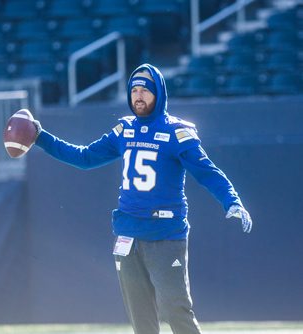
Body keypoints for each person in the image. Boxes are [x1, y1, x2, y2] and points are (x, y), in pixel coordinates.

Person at [31, 63, 252, 334]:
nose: (138, 96)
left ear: (158, 93)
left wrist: (232, 200)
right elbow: (84, 157)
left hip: (166, 236)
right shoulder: (124, 130)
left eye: (145, 90)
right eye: (134, 90)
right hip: (128, 235)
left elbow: (207, 172)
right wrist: (40, 137)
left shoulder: (176, 132)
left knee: (176, 309)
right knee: (141, 319)